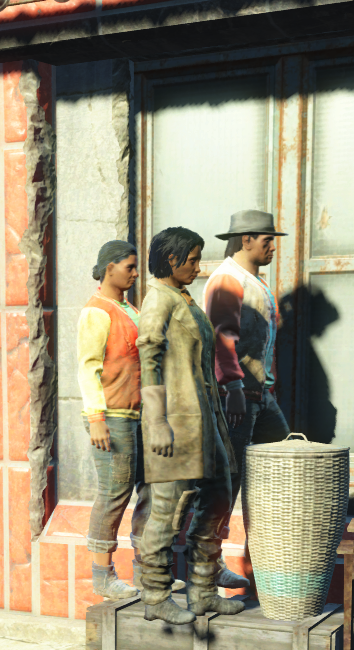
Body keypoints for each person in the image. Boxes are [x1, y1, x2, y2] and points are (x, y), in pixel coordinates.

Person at [134, 226, 245, 625]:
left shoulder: (183, 298)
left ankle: (203, 592)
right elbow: (148, 359)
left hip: (205, 421)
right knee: (167, 510)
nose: (199, 267)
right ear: (172, 260)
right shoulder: (158, 300)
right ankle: (156, 595)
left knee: (218, 497)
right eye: (193, 260)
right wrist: (157, 422)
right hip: (175, 424)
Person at [202, 209, 292, 592]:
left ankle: (270, 556)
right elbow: (222, 339)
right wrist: (234, 389)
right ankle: (208, 563)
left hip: (261, 396)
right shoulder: (228, 280)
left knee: (281, 465)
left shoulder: (255, 281)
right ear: (246, 240)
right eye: (267, 240)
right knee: (229, 479)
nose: (272, 246)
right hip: (236, 396)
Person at [78, 240, 147, 600]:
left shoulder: (129, 308)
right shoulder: (96, 312)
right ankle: (102, 576)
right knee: (113, 493)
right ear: (110, 269)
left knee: (148, 489)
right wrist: (96, 419)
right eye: (129, 267)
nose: (135, 274)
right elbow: (88, 368)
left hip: (138, 414)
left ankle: (148, 573)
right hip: (112, 417)